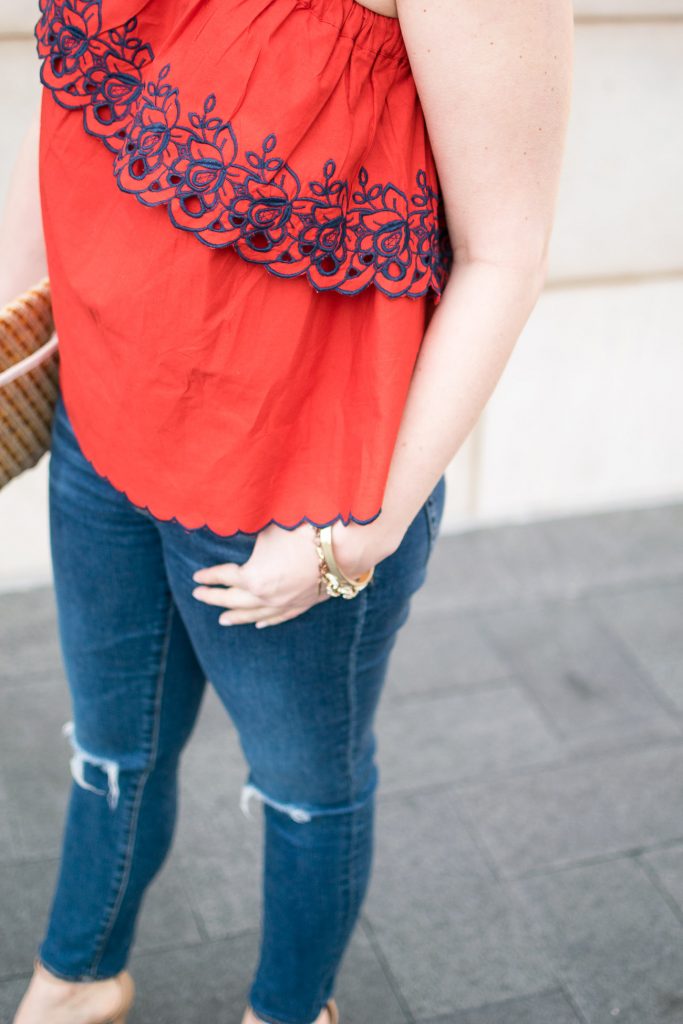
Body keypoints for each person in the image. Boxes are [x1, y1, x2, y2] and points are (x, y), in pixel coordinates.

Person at [0, 0, 574, 1021]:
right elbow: (74, 95)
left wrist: (354, 537)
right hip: (103, 419)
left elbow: (505, 256)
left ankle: (290, 1008)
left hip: (300, 496)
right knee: (110, 745)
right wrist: (16, 337)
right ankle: (78, 976)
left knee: (306, 789)